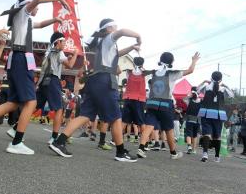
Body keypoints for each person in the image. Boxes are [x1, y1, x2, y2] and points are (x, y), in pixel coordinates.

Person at [0, 0, 70, 155]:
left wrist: (55, 20)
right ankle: (16, 142)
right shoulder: (23, 13)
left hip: (17, 60)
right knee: (31, 102)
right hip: (21, 60)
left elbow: (39, 24)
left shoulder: (24, 19)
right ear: (28, 3)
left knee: (13, 102)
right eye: (36, 6)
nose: (38, 9)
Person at [49, 18, 141, 162]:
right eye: (114, 26)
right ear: (109, 28)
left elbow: (116, 54)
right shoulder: (109, 38)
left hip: (93, 81)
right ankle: (121, 152)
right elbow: (122, 32)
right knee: (116, 117)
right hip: (105, 81)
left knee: (84, 115)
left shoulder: (98, 42)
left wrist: (131, 47)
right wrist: (138, 36)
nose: (116, 28)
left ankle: (59, 142)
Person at [138, 51, 200, 159]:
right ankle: (173, 153)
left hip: (151, 103)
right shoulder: (171, 73)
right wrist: (194, 60)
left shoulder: (153, 73)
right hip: (165, 104)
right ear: (171, 61)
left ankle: (141, 147)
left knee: (149, 126)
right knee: (169, 129)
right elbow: (190, 70)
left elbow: (142, 73)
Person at [36, 32, 78, 145]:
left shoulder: (48, 51)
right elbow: (70, 66)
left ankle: (16, 128)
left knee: (35, 106)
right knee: (59, 109)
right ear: (57, 42)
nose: (64, 44)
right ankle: (54, 137)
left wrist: (66, 58)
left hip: (44, 81)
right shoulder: (58, 51)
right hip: (53, 80)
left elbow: (58, 64)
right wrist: (74, 55)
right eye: (63, 41)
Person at [197, 71, 234, 162]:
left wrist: (203, 82)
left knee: (206, 134)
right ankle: (217, 157)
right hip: (219, 115)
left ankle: (205, 154)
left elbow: (196, 90)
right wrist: (226, 86)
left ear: (211, 78)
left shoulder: (206, 86)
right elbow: (232, 95)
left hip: (206, 113)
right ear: (221, 79)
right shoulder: (223, 89)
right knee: (217, 136)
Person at [184, 86, 201, 154]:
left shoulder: (189, 100)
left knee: (188, 134)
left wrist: (189, 94)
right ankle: (194, 150)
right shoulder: (201, 101)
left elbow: (184, 99)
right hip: (198, 120)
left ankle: (189, 147)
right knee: (195, 135)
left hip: (190, 119)